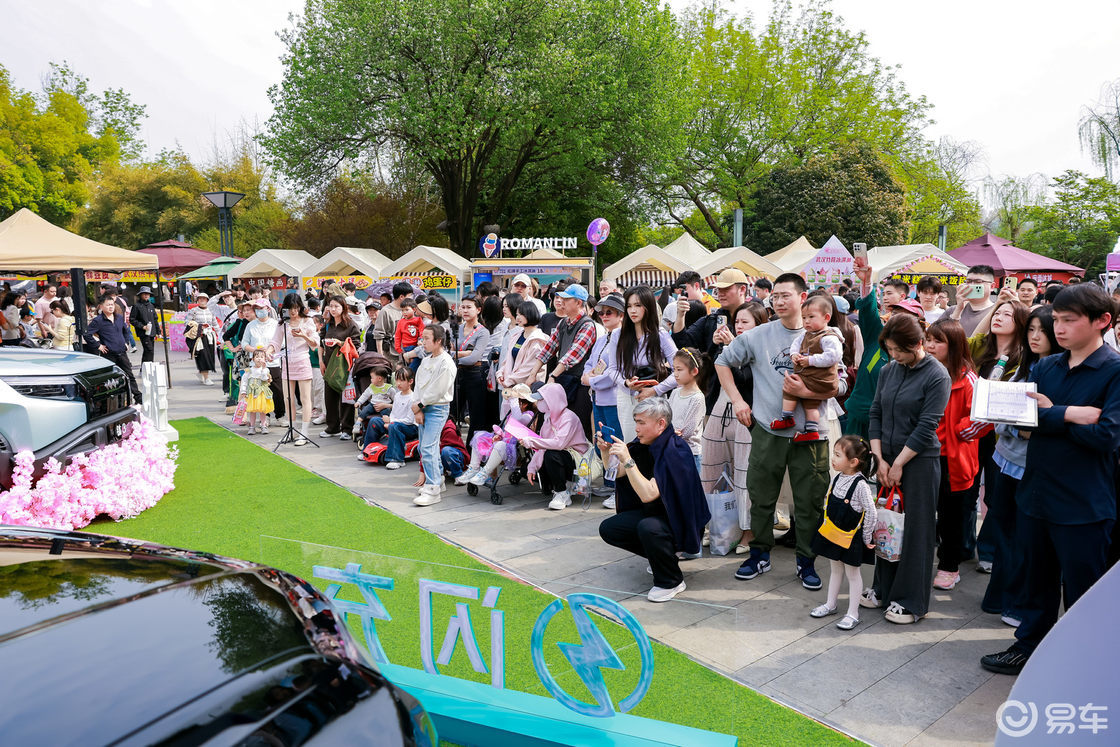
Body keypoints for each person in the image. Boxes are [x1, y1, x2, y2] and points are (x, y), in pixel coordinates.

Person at [981, 284, 1120, 675]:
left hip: (1083, 503)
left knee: (1083, 591)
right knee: (1036, 583)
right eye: (1056, 319)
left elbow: (1107, 435)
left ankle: (1085, 664)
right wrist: (1072, 414)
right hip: (1036, 493)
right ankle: (1029, 648)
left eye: (1069, 320)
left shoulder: (1113, 371)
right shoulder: (1046, 368)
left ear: (1102, 321)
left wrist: (1050, 415)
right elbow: (1020, 423)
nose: (1058, 328)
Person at [716, 273, 830, 590]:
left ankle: (806, 561)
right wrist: (738, 401)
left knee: (809, 501)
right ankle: (759, 554)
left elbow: (841, 382)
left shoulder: (824, 335)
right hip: (767, 429)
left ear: (803, 297)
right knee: (761, 497)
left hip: (811, 434)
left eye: (785, 295)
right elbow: (722, 362)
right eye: (774, 296)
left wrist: (808, 389)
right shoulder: (758, 335)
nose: (778, 302)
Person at [865, 314, 951, 624]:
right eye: (889, 350)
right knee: (887, 525)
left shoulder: (937, 375)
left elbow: (927, 427)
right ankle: (882, 588)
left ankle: (911, 601)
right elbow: (875, 412)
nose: (893, 356)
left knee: (916, 531)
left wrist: (899, 462)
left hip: (919, 462)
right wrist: (880, 460)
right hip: (886, 460)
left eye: (898, 350)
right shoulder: (890, 370)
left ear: (917, 344)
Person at [982, 305, 1063, 626]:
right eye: (1031, 330)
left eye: (1042, 331)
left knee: (1025, 538)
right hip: (1005, 460)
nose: (1035, 337)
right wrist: (1019, 425)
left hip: (1032, 468)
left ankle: (1017, 602)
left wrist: (1021, 424)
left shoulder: (1059, 372)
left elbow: (1041, 426)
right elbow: (1003, 419)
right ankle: (1000, 596)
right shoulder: (1023, 368)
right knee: (1003, 530)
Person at [597, 397, 711, 602]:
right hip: (658, 515)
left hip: (682, 524)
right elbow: (616, 473)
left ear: (661, 424)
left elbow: (648, 494)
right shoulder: (644, 445)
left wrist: (628, 459)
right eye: (636, 421)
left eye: (641, 422)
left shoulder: (675, 450)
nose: (637, 428)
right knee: (610, 528)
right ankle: (662, 558)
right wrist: (606, 451)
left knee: (648, 528)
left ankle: (672, 581)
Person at [923, 318, 988, 591]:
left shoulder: (968, 378)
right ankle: (922, 561)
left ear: (955, 345)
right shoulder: (921, 370)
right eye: (928, 340)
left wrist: (956, 431)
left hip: (954, 458)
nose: (930, 346)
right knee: (925, 512)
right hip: (923, 453)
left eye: (938, 341)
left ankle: (950, 565)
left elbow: (983, 419)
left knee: (953, 515)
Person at [703, 301, 766, 553]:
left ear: (759, 325)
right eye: (736, 322)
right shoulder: (727, 345)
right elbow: (707, 373)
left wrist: (732, 347)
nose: (738, 327)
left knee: (744, 475)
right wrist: (717, 346)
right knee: (711, 468)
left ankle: (748, 531)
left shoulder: (762, 349)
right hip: (720, 410)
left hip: (748, 413)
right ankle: (716, 525)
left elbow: (747, 380)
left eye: (745, 322)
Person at [809, 436, 878, 630]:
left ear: (853, 462)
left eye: (838, 455)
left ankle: (853, 613)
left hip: (850, 538)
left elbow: (871, 512)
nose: (833, 458)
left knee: (853, 574)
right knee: (835, 569)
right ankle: (831, 604)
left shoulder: (861, 486)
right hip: (833, 533)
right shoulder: (837, 477)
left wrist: (866, 537)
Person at [842, 257, 914, 439]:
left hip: (890, 427)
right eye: (895, 313)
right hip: (858, 419)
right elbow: (868, 311)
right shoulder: (878, 336)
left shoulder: (920, 357)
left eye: (906, 317)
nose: (898, 319)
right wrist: (866, 282)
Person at [525, 284, 597, 438]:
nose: (561, 301)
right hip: (564, 381)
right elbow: (548, 349)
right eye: (560, 297)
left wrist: (553, 377)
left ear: (578, 302)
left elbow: (572, 356)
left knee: (578, 426)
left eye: (566, 298)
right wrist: (532, 374)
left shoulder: (587, 325)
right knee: (559, 425)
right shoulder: (563, 323)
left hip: (580, 384)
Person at [610, 286, 678, 441]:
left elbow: (679, 370)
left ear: (648, 307)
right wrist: (626, 383)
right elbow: (612, 370)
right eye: (629, 306)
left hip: (654, 399)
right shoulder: (617, 335)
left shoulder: (660, 335)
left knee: (655, 444)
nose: (633, 310)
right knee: (631, 443)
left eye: (638, 305)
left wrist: (656, 389)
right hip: (627, 396)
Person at [771, 296, 842, 442]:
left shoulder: (829, 337)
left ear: (826, 317)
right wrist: (794, 354)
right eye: (804, 317)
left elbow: (833, 356)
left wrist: (810, 360)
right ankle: (809, 429)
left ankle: (788, 418)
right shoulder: (806, 334)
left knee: (791, 388)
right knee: (810, 404)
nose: (806, 321)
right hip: (811, 378)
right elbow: (795, 345)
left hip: (821, 379)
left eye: (811, 317)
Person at [522, 381, 591, 510]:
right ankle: (558, 486)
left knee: (552, 455)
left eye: (542, 399)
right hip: (562, 456)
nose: (539, 403)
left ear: (552, 400)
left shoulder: (568, 417)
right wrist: (532, 467)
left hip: (578, 462)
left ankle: (562, 492)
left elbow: (559, 444)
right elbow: (542, 447)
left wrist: (531, 441)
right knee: (525, 469)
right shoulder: (548, 418)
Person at [584, 293, 626, 507]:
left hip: (614, 398)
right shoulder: (602, 338)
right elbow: (590, 364)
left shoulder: (622, 337)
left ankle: (619, 488)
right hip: (598, 398)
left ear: (620, 314)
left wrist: (591, 380)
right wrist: (588, 376)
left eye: (609, 312)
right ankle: (611, 483)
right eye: (601, 312)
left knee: (616, 441)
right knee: (602, 441)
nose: (604, 315)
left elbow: (613, 372)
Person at [458, 383, 537, 487]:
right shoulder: (513, 413)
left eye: (515, 402)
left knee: (500, 445)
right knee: (479, 436)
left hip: (514, 447)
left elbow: (518, 420)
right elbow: (506, 426)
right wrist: (499, 435)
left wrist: (513, 400)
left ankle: (485, 473)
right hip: (504, 440)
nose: (511, 404)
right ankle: (474, 468)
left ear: (524, 404)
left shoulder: (528, 415)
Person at [412, 325, 457, 506]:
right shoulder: (426, 360)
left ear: (438, 341)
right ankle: (437, 479)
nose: (423, 342)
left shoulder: (446, 363)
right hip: (423, 407)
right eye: (422, 338)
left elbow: (438, 390)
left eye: (427, 338)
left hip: (437, 408)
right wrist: (417, 407)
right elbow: (418, 385)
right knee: (426, 447)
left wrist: (419, 405)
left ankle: (433, 488)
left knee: (428, 448)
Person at [268, 293, 320, 446]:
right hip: (287, 362)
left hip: (302, 360)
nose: (293, 312)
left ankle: (304, 433)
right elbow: (275, 342)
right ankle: (292, 429)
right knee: (287, 398)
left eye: (296, 308)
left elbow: (315, 343)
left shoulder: (307, 321)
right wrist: (268, 351)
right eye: (290, 308)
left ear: (300, 307)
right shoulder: (282, 323)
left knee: (305, 399)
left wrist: (303, 335)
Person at [83, 294, 142, 404]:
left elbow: (126, 330)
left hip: (122, 352)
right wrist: (98, 345)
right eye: (108, 305)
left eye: (112, 304)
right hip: (109, 354)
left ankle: (138, 397)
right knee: (110, 379)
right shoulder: (98, 321)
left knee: (130, 375)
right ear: (101, 306)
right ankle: (113, 401)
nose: (111, 307)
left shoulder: (119, 318)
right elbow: (87, 334)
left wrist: (126, 342)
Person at [452, 293, 494, 445]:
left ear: (478, 310)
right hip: (457, 373)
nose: (465, 310)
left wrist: (456, 354)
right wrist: (464, 353)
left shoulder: (483, 331)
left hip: (475, 374)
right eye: (462, 307)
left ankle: (472, 452)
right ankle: (454, 447)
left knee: (476, 416)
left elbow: (474, 358)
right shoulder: (457, 328)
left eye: (469, 307)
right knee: (453, 412)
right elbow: (447, 351)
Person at [319, 295, 361, 440]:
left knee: (346, 398)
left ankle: (347, 429)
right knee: (329, 397)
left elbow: (356, 346)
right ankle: (332, 427)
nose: (333, 309)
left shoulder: (351, 325)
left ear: (344, 308)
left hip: (345, 365)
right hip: (329, 364)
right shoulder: (328, 324)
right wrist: (321, 361)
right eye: (331, 306)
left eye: (337, 306)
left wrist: (339, 342)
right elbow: (320, 343)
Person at [243, 298, 285, 423]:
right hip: (256, 364)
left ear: (268, 309)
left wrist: (270, 349)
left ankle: (280, 415)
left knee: (277, 390)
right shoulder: (251, 325)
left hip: (273, 362)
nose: (259, 311)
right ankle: (264, 416)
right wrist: (255, 350)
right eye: (257, 309)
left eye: (262, 308)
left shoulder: (275, 324)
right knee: (259, 391)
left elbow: (281, 342)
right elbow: (244, 343)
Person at [668, 347, 707, 474]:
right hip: (672, 448)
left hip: (690, 453)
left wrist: (667, 432)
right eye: (674, 369)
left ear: (694, 371)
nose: (675, 373)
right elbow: (667, 416)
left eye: (680, 370)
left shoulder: (697, 398)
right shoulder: (675, 392)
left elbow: (687, 432)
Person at [947, 265, 997, 336]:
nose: (972, 285)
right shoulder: (952, 310)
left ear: (992, 286)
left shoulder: (998, 312)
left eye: (978, 282)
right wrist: (958, 309)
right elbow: (940, 335)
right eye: (968, 281)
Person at [372, 281, 413, 366]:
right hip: (391, 355)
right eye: (410, 296)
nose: (411, 298)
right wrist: (381, 356)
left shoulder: (409, 310)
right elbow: (379, 335)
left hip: (407, 354)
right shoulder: (386, 311)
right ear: (401, 296)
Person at [184, 292, 218, 386]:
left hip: (210, 336)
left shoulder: (211, 311)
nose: (202, 300)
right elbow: (187, 322)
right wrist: (198, 326)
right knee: (203, 356)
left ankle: (201, 373)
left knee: (210, 356)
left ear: (207, 300)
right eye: (200, 299)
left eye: (204, 299)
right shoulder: (193, 311)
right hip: (199, 337)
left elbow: (215, 324)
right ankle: (206, 377)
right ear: (197, 300)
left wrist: (220, 335)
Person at [240, 348, 276, 435]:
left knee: (262, 410)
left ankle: (263, 425)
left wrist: (263, 369)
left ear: (265, 359)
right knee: (252, 411)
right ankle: (252, 427)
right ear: (253, 359)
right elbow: (244, 381)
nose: (259, 359)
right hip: (252, 393)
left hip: (262, 393)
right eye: (257, 357)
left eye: (262, 357)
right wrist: (243, 391)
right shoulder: (249, 370)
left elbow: (264, 378)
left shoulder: (266, 370)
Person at [129, 286, 161, 364]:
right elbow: (132, 320)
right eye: (144, 294)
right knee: (149, 349)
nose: (146, 295)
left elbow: (155, 319)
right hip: (143, 332)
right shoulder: (137, 306)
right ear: (140, 295)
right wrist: (142, 326)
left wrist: (158, 332)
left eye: (148, 294)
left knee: (150, 351)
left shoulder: (151, 306)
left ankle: (146, 368)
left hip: (152, 332)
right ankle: (147, 367)